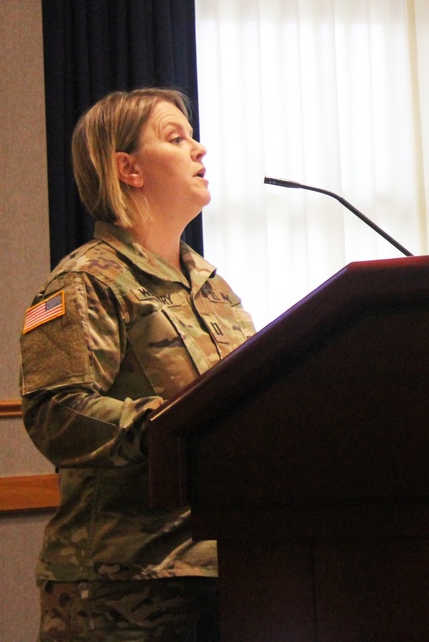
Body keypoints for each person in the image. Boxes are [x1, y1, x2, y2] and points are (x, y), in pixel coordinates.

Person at [19, 87, 255, 641]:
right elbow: (56, 413)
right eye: (176, 138)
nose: (199, 150)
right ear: (127, 168)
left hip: (229, 568)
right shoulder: (86, 280)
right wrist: (174, 428)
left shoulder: (213, 285)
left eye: (193, 137)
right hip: (120, 586)